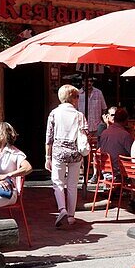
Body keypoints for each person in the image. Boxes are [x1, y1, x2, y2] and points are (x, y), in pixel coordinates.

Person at [46, 84, 87, 228]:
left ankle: (62, 209)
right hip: (75, 152)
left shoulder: (54, 113)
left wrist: (47, 157)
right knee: (72, 185)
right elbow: (85, 135)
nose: (78, 99)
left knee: (57, 183)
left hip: (58, 151)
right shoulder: (79, 115)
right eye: (77, 96)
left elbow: (49, 137)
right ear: (72, 98)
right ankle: (71, 216)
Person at [0, 120, 31, 210]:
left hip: (8, 192)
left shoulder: (14, 153)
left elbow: (28, 168)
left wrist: (6, 175)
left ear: (3, 135)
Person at [98, 108, 133, 178]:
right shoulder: (125, 135)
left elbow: (99, 149)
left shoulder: (104, 133)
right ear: (126, 120)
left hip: (105, 169)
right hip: (119, 171)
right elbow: (133, 153)